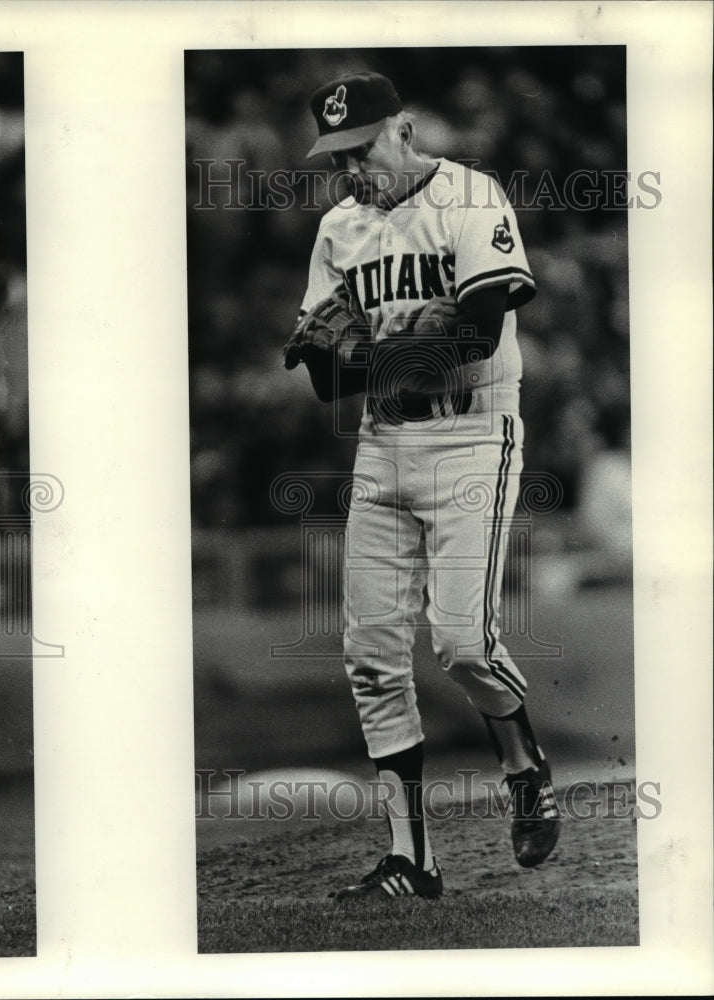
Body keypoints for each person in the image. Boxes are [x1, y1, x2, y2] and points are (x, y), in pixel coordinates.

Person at [284, 71, 559, 902]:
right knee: (370, 657)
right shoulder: (338, 227)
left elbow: (477, 333)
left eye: (360, 148)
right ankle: (413, 858)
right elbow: (328, 384)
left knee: (463, 643)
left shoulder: (472, 199)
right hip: (383, 445)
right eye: (336, 155)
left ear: (402, 131)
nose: (350, 169)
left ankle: (524, 762)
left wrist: (366, 355)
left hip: (474, 434)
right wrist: (357, 357)